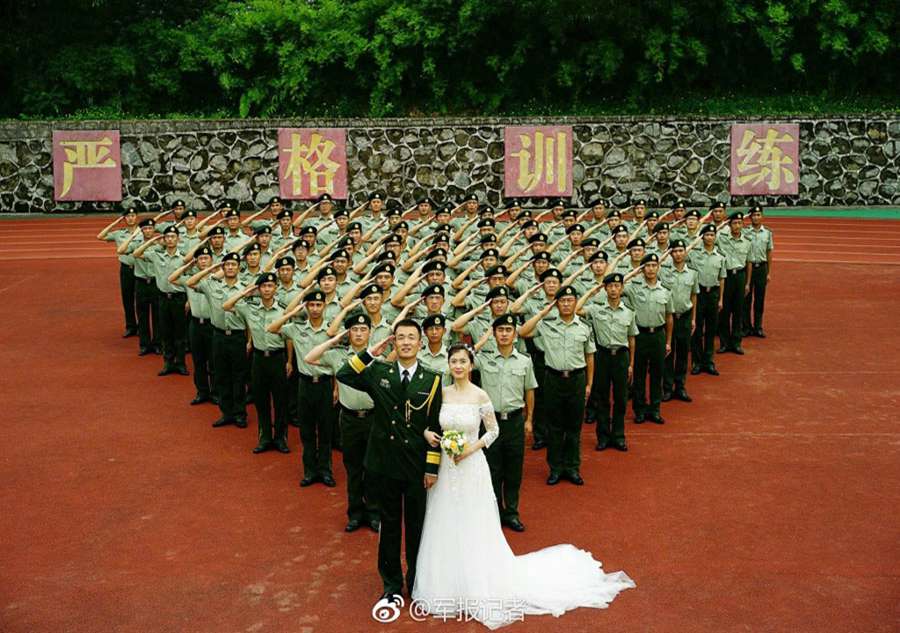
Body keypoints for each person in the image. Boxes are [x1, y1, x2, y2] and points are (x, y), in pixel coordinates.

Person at [412, 344, 634, 629]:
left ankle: (478, 581)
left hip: (470, 465)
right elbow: (426, 424)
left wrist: (471, 448)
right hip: (445, 466)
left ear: (471, 365)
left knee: (472, 521)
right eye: (453, 361)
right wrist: (430, 434)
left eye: (462, 361)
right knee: (444, 519)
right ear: (448, 365)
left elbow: (493, 430)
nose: (457, 366)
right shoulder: (440, 394)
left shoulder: (479, 394)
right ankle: (446, 584)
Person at [336, 319, 443, 606]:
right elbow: (344, 373)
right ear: (393, 342)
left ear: (420, 343)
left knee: (417, 527)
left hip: (417, 465)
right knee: (390, 526)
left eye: (411, 337)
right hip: (384, 464)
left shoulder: (433, 379)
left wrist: (432, 468)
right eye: (400, 338)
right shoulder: (379, 372)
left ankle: (418, 583)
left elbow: (436, 426)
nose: (406, 342)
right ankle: (392, 584)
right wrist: (371, 351)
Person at [305, 313, 380, 533]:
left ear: (370, 332)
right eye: (354, 330)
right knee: (353, 468)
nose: (358, 334)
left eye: (363, 329)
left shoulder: (377, 355)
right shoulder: (338, 356)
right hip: (349, 419)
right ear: (348, 333)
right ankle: (355, 513)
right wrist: (335, 340)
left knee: (374, 468)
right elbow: (310, 358)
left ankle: (374, 513)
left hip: (374, 418)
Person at [519, 285, 594, 486]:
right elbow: (523, 332)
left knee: (574, 426)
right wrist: (543, 312)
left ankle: (572, 467)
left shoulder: (585, 326)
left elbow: (589, 355)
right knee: (554, 426)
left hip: (577, 379)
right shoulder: (546, 324)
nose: (567, 304)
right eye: (562, 301)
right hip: (553, 378)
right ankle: (555, 468)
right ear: (556, 303)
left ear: (576, 302)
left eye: (570, 300)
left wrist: (589, 383)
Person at [477, 314, 537, 532]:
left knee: (513, 470)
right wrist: (483, 340)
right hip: (490, 421)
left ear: (514, 334)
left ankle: (511, 512)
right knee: (492, 470)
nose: (504, 334)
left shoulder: (525, 361)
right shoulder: (483, 360)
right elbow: (462, 357)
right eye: (499, 330)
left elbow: (529, 390)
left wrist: (529, 419)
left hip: (514, 422)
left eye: (508, 330)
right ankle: (493, 513)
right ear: (494, 334)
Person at [224, 272, 289, 454]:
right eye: (263, 287)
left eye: (270, 286)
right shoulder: (249, 307)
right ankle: (265, 437)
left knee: (280, 400)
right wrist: (246, 292)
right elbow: (226, 305)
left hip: (278, 357)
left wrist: (290, 361)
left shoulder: (283, 309)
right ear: (258, 289)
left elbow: (289, 338)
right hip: (259, 358)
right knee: (261, 400)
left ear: (276, 288)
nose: (267, 290)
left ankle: (281, 438)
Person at [586, 273, 637, 452]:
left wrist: (631, 363)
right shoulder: (595, 309)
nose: (614, 289)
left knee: (621, 398)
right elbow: (577, 309)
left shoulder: (629, 312)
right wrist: (593, 291)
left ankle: (618, 436)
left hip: (621, 357)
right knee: (602, 398)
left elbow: (632, 339)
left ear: (622, 288)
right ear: (605, 289)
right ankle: (603, 436)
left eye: (617, 286)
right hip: (602, 356)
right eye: (610, 286)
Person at [624, 253, 673, 424]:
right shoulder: (634, 288)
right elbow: (617, 283)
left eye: (654, 265)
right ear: (642, 269)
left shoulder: (665, 290)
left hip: (658, 335)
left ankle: (655, 409)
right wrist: (635, 272)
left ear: (658, 267)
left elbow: (669, 317)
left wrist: (668, 341)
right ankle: (639, 409)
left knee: (657, 373)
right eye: (647, 266)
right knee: (639, 374)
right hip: (640, 335)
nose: (651, 269)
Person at [660, 239, 698, 403]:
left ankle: (680, 387)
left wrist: (694, 319)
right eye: (674, 251)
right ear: (670, 254)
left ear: (685, 252)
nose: (678, 254)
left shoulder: (693, 273)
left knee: (683, 353)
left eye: (681, 250)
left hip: (684, 317)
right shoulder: (663, 273)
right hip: (668, 318)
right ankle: (667, 388)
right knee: (668, 353)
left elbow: (694, 295)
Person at [97, 206, 139, 337]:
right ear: (124, 218)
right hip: (126, 269)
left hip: (141, 270)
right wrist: (115, 222)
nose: (130, 218)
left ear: (136, 217)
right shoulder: (119, 233)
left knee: (141, 301)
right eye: (127, 216)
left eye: (133, 216)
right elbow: (100, 236)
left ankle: (142, 328)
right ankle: (131, 326)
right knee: (127, 299)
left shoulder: (143, 232)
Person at [690, 225, 727, 376]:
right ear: (702, 237)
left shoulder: (720, 257)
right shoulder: (694, 255)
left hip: (713, 294)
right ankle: (697, 362)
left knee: (711, 329)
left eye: (712, 235)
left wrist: (721, 299)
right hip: (699, 294)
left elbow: (722, 279)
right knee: (697, 330)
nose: (710, 237)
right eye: (707, 235)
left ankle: (709, 361)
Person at [716, 211, 752, 354]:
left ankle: (736, 342)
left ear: (743, 225)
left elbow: (749, 262)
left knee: (738, 310)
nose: (737, 226)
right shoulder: (722, 238)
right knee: (724, 311)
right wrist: (723, 223)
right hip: (726, 276)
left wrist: (748, 283)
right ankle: (724, 343)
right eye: (734, 223)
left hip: (740, 276)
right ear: (729, 225)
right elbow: (709, 234)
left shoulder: (748, 241)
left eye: (739, 223)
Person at [743, 205, 774, 337]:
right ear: (750, 217)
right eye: (754, 215)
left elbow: (769, 252)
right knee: (746, 299)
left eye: (758, 215)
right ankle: (746, 326)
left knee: (759, 299)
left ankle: (758, 326)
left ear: (762, 216)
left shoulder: (767, 233)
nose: (756, 217)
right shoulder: (745, 232)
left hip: (761, 268)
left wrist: (769, 272)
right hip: (747, 269)